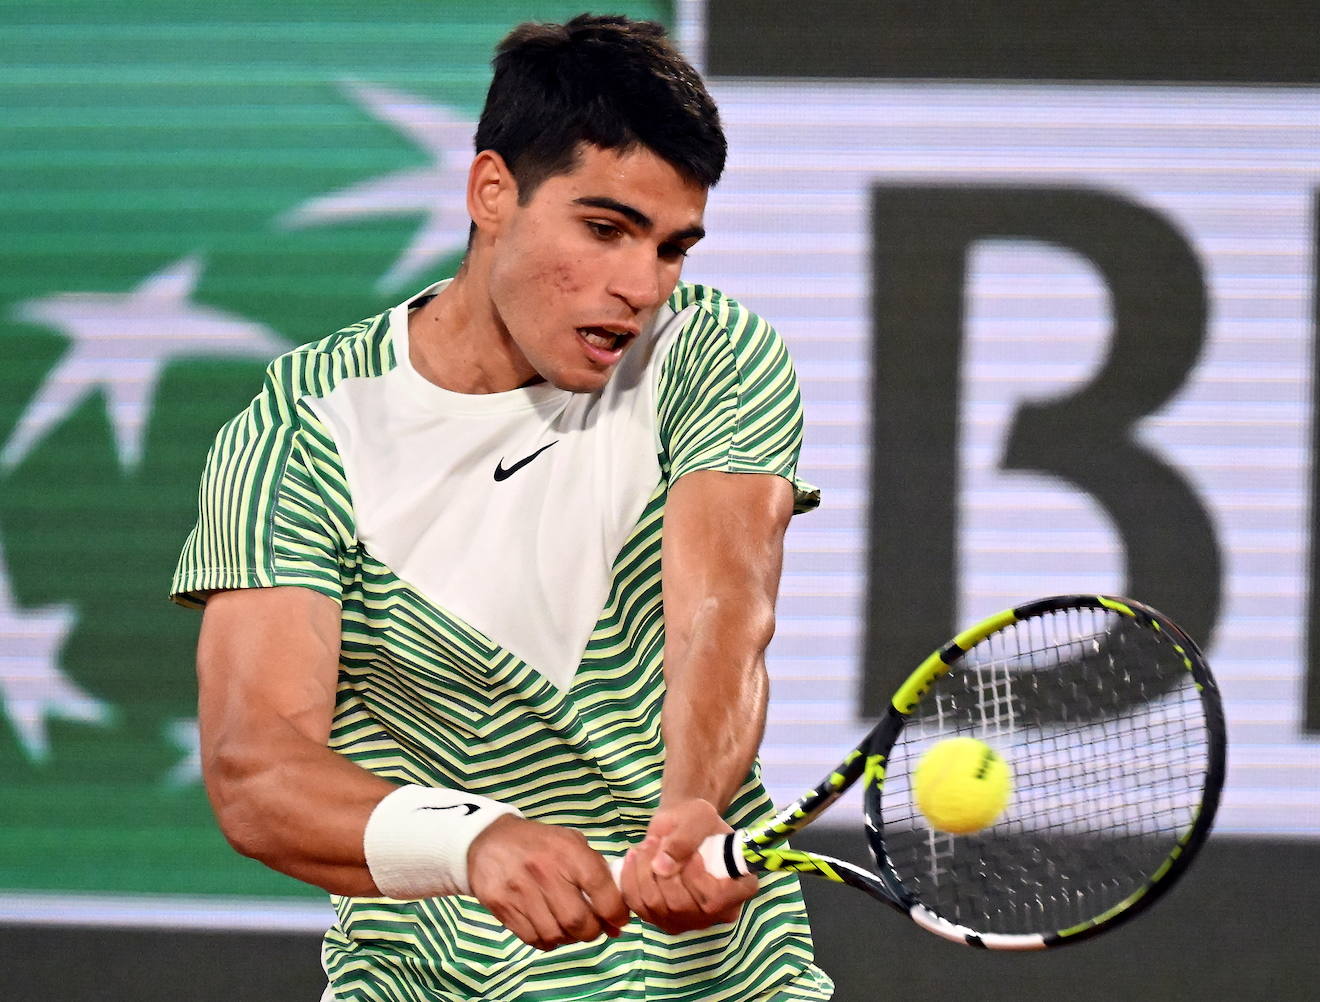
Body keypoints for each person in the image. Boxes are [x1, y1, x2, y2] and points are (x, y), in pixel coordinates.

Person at [171, 13, 831, 1002]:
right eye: (605, 229)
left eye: (672, 247)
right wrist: (472, 842)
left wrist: (693, 805)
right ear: (492, 193)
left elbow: (721, 610)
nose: (641, 286)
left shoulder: (710, 356)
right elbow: (255, 770)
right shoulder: (307, 427)